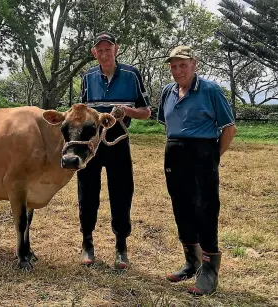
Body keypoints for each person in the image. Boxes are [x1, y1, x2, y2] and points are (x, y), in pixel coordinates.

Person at [157, 46, 237, 295]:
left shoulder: (210, 90)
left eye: (183, 65)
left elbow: (229, 128)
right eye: (173, 66)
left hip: (202, 153)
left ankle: (209, 271)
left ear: (194, 64)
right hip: (174, 153)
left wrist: (213, 157)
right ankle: (191, 262)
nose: (178, 70)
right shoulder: (167, 92)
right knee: (180, 206)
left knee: (205, 207)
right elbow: (169, 125)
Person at [78, 31, 151, 270]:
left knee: (121, 193)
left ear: (116, 49)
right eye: (99, 50)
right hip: (91, 143)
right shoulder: (87, 76)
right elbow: (82, 111)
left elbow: (146, 111)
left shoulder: (131, 74)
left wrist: (126, 111)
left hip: (118, 141)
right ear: (94, 53)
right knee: (87, 192)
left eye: (108, 49)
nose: (104, 53)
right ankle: (87, 243)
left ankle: (121, 247)